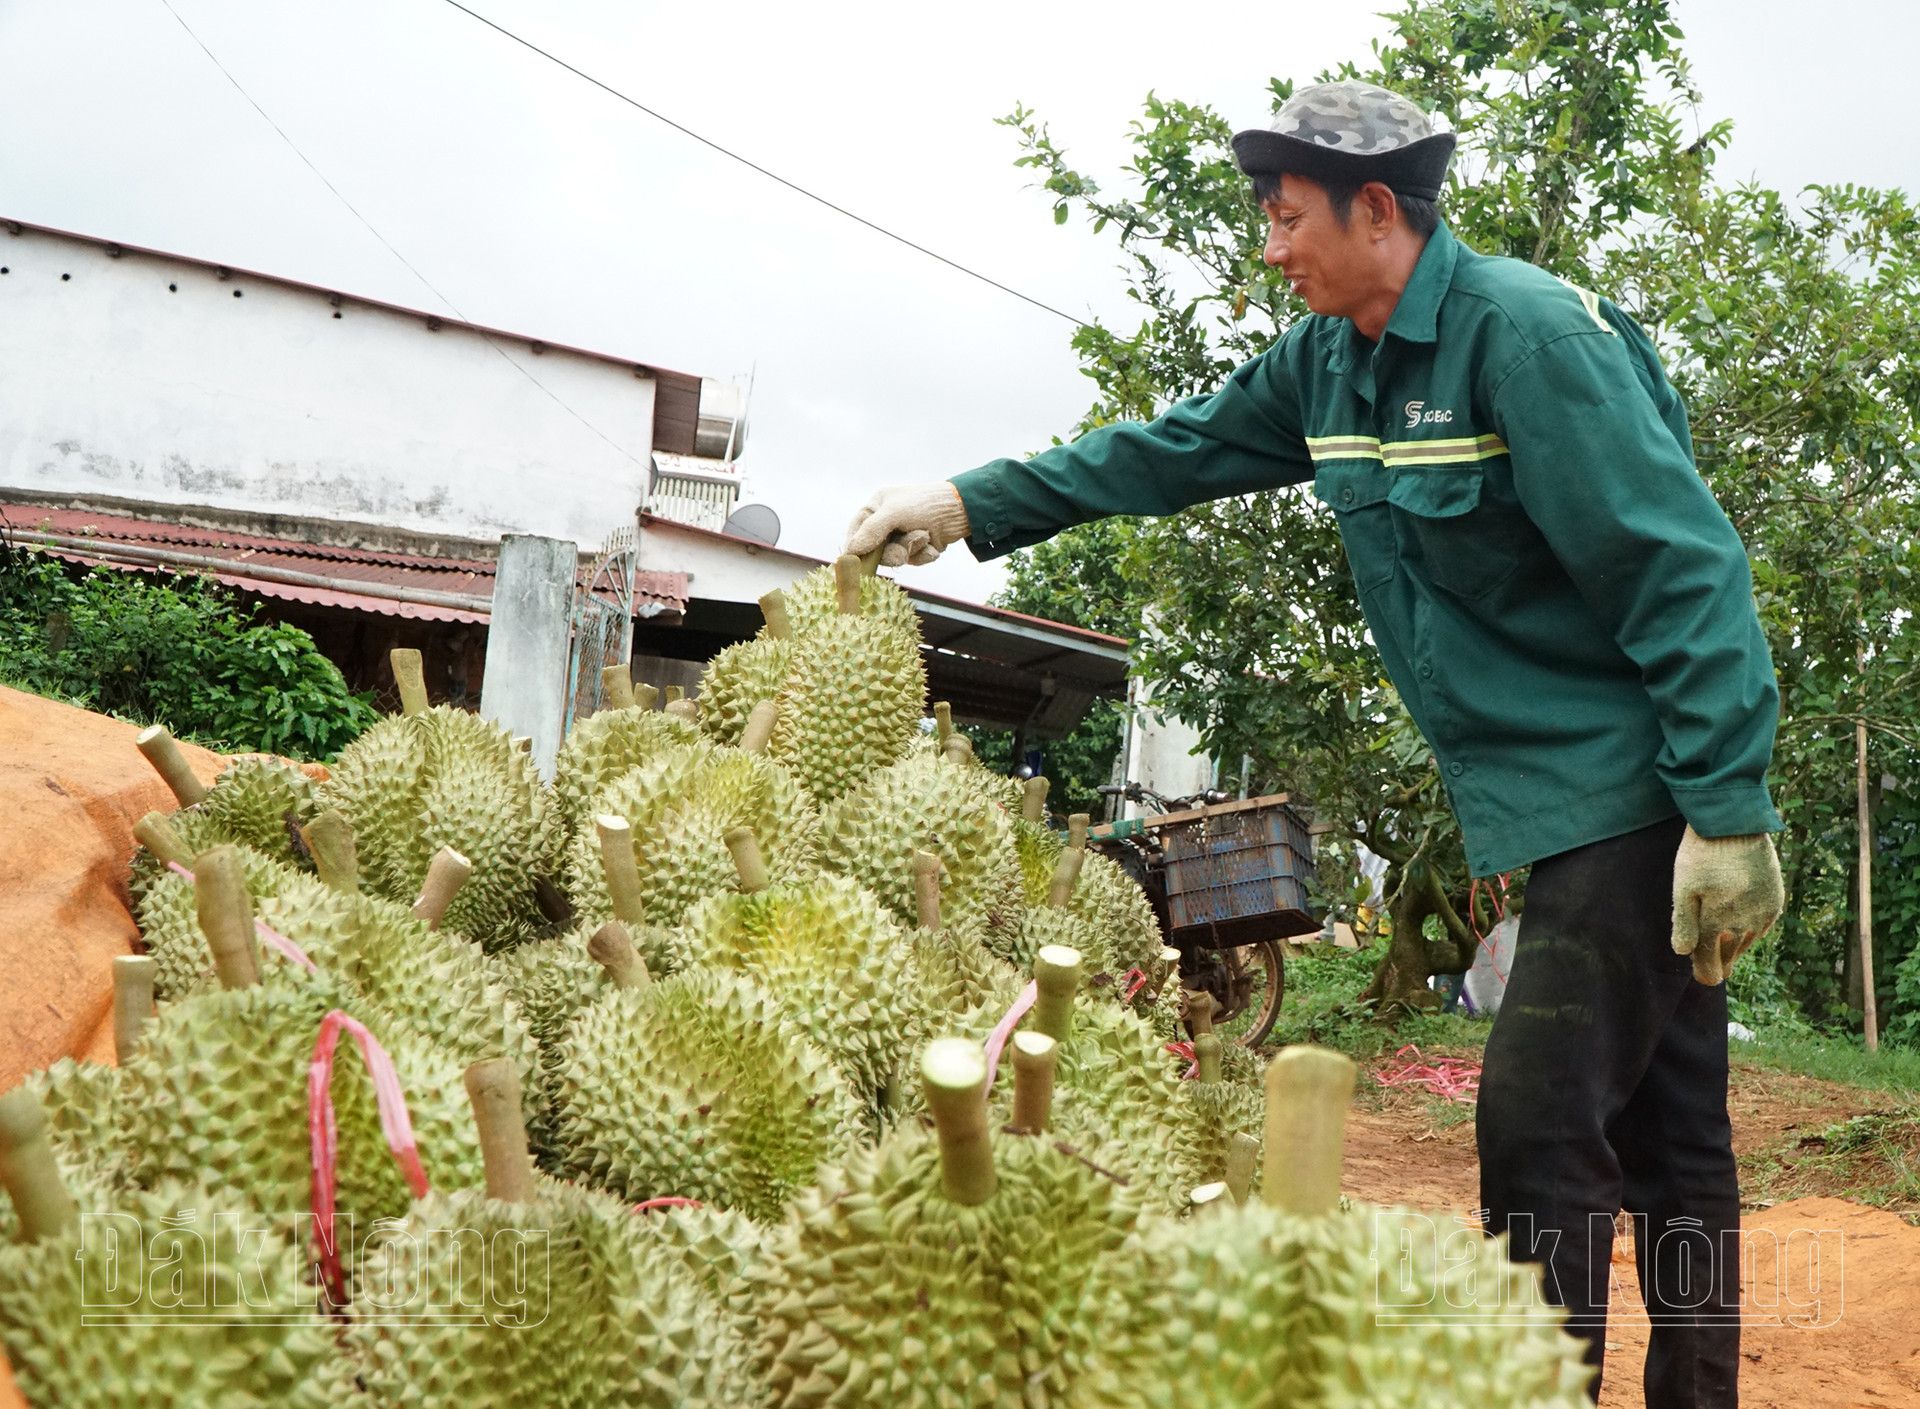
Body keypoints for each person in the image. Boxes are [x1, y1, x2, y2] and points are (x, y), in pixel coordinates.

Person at [844, 80, 1784, 1409]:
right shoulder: (1327, 364)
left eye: (1288, 219)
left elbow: (1680, 570)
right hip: (1554, 803)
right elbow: (1169, 451)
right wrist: (967, 500)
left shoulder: (1527, 342)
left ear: (1378, 210)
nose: (1272, 247)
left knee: (1537, 1123)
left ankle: (1534, 1387)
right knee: (1676, 1132)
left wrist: (1729, 810)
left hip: (1635, 793)